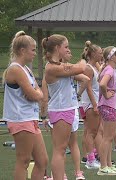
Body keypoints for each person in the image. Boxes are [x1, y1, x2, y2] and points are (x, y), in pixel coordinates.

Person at [3, 31, 48, 180]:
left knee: (42, 161)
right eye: (33, 50)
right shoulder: (15, 69)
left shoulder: (26, 69)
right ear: (22, 50)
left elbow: (38, 91)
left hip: (30, 117)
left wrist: (38, 93)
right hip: (20, 119)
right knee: (23, 160)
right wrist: (38, 93)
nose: (35, 53)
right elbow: (34, 94)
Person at [42, 34, 87, 179]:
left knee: (60, 150)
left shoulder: (59, 66)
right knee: (59, 150)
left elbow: (83, 76)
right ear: (57, 48)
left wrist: (69, 65)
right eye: (66, 47)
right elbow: (82, 67)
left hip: (65, 109)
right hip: (61, 110)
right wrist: (83, 58)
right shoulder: (51, 68)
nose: (68, 49)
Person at [97, 46, 116, 176]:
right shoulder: (110, 70)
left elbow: (101, 82)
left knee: (109, 137)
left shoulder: (109, 69)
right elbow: (102, 84)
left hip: (109, 105)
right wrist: (106, 95)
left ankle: (108, 165)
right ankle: (103, 166)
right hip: (108, 105)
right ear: (111, 57)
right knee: (107, 137)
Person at [80, 41, 103, 169]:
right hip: (90, 103)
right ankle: (90, 160)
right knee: (91, 132)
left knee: (95, 131)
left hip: (95, 102)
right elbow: (88, 87)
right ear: (93, 54)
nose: (101, 55)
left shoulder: (94, 67)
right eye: (99, 53)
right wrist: (94, 105)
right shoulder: (88, 68)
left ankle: (94, 157)